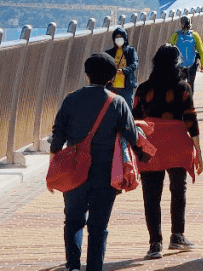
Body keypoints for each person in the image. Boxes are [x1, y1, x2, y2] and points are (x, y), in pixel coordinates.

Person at [50, 53, 139, 271]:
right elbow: (133, 135)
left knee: (72, 221)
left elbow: (57, 135)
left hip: (74, 170)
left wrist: (55, 160)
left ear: (87, 74)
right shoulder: (117, 102)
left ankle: (73, 266)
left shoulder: (71, 98)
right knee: (99, 227)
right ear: (111, 77)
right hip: (106, 172)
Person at [133, 44, 203, 258]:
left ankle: (155, 244)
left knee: (151, 196)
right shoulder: (183, 87)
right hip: (177, 144)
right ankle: (177, 236)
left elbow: (134, 118)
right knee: (178, 190)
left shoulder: (143, 89)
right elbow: (190, 118)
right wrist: (198, 150)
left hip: (151, 144)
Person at [167, 16, 203, 95]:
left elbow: (169, 50)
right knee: (190, 83)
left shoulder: (175, 35)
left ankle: (179, 101)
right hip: (192, 63)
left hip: (179, 64)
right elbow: (201, 50)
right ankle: (190, 101)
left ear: (181, 24)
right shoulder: (195, 35)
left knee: (179, 83)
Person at [106, 26, 139, 107]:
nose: (119, 39)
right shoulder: (108, 53)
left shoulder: (131, 51)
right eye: (117, 37)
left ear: (125, 38)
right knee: (112, 109)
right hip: (112, 86)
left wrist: (124, 70)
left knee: (127, 108)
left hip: (126, 86)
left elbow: (135, 64)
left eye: (121, 37)